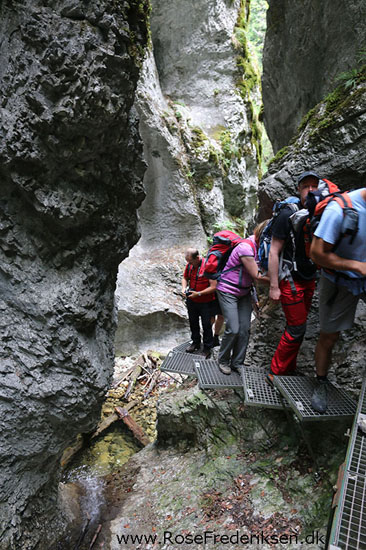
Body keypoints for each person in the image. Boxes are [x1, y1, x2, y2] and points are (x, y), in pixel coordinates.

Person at [309, 187, 366, 413]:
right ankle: (321, 381)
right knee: (329, 334)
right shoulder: (341, 209)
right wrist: (356, 265)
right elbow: (316, 252)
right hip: (339, 280)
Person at [267, 171, 320, 384]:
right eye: (306, 186)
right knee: (297, 328)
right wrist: (273, 286)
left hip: (309, 278)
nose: (310, 190)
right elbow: (273, 251)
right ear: (299, 190)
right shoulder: (286, 214)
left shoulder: (319, 212)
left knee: (298, 327)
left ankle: (288, 369)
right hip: (290, 280)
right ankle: (275, 373)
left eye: (314, 186)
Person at [215, 221, 269, 375]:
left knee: (245, 328)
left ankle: (237, 362)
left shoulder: (262, 247)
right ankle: (223, 360)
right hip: (228, 290)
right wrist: (279, 281)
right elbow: (257, 276)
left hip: (244, 292)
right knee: (233, 328)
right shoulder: (245, 247)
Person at [182, 248, 216, 357]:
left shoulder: (208, 266)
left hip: (206, 301)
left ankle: (207, 347)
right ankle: (195, 342)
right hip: (192, 300)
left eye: (191, 261)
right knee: (193, 322)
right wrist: (183, 288)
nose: (189, 264)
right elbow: (185, 278)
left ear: (197, 258)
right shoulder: (190, 266)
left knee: (206, 324)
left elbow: (214, 287)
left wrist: (199, 293)